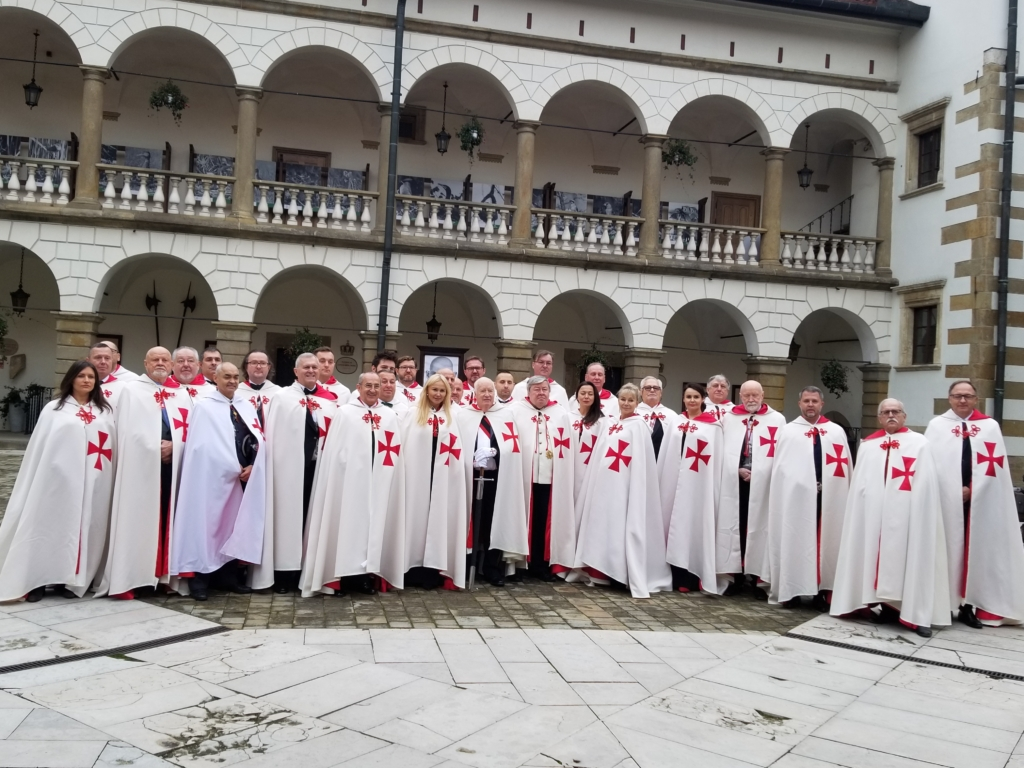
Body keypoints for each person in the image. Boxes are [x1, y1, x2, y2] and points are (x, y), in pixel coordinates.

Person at [831, 399, 949, 637]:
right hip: (873, 517)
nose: (891, 415)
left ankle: (913, 613)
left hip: (908, 517)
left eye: (896, 411)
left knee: (909, 559)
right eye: (885, 412)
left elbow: (925, 486)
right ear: (879, 418)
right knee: (873, 557)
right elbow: (860, 487)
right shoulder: (868, 446)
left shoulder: (919, 444)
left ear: (904, 416)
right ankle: (884, 606)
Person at [0, 361, 114, 602]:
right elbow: (42, 448)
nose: (86, 380)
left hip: (94, 481)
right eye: (81, 376)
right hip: (56, 481)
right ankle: (37, 581)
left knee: (84, 528)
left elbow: (108, 447)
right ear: (71, 379)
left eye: (91, 377)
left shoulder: (104, 411)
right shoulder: (54, 409)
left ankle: (69, 580)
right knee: (48, 526)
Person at [97, 347, 195, 599]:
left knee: (170, 519)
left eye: (165, 359)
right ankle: (134, 578)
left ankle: (166, 576)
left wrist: (176, 445)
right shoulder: (131, 390)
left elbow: (191, 432)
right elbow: (127, 432)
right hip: (139, 470)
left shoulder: (181, 394)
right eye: (155, 359)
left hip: (174, 466)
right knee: (138, 520)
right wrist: (153, 449)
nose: (160, 363)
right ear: (145, 362)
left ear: (171, 364)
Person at [925, 380, 1024, 627]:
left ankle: (970, 606)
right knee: (946, 550)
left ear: (976, 399)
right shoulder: (937, 427)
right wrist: (952, 490)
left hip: (981, 504)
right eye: (958, 396)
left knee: (978, 553)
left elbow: (996, 470)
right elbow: (929, 467)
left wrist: (973, 490)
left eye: (967, 396)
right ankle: (944, 604)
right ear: (949, 398)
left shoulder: (989, 427)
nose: (962, 401)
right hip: (946, 502)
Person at [301, 372, 406, 596]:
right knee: (345, 526)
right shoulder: (345, 414)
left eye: (376, 386)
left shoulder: (389, 416)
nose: (372, 390)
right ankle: (340, 578)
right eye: (368, 385)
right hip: (348, 484)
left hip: (378, 483)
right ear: (358, 387)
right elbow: (335, 453)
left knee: (372, 529)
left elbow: (394, 453)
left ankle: (364, 577)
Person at [172, 362, 265, 601]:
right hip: (210, 480)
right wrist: (230, 466)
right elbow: (201, 447)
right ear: (216, 377)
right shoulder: (204, 407)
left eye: (235, 377)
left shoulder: (245, 406)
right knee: (207, 526)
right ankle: (200, 581)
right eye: (227, 376)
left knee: (233, 526)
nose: (232, 381)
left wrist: (253, 463)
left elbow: (257, 438)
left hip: (242, 478)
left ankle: (229, 578)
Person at [572, 384, 672, 598]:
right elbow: (600, 454)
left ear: (637, 403)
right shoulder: (609, 422)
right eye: (623, 399)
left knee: (620, 527)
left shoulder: (640, 427)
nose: (626, 403)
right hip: (602, 486)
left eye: (631, 400)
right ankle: (598, 570)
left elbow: (641, 465)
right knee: (601, 525)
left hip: (625, 488)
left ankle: (619, 573)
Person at [251, 353, 338, 593]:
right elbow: (274, 435)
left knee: (314, 519)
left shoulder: (330, 400)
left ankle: (310, 571)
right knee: (287, 520)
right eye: (306, 367)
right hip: (287, 472)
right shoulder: (282, 398)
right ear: (296, 371)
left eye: (314, 367)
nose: (311, 370)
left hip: (318, 470)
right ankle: (285, 575)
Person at [768, 386, 851, 609]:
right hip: (795, 499)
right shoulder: (788, 431)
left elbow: (843, 466)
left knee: (827, 542)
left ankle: (822, 593)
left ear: (822, 404)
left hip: (829, 498)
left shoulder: (835, 431)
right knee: (795, 540)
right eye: (806, 401)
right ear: (800, 404)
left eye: (814, 401)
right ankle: (792, 590)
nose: (810, 405)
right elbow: (782, 469)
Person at [457, 378, 529, 587]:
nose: (487, 395)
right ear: (475, 394)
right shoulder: (463, 416)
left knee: (494, 521)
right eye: (483, 391)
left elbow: (512, 447)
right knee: (469, 520)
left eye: (490, 391)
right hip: (469, 479)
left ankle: (491, 567)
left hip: (499, 479)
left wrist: (497, 454)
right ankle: (466, 564)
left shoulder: (505, 415)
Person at [719, 381, 786, 598]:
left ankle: (759, 578)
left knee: (760, 528)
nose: (750, 399)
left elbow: (781, 454)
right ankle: (734, 576)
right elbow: (723, 451)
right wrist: (736, 469)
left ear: (763, 395)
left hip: (765, 485)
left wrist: (760, 470)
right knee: (734, 527)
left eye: (755, 395)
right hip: (735, 482)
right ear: (740, 396)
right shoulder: (729, 418)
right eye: (746, 395)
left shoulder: (777, 419)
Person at [401, 374, 466, 589]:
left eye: (442, 391)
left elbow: (458, 451)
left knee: (438, 520)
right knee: (415, 519)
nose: (438, 394)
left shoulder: (453, 417)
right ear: (427, 390)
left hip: (443, 477)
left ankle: (433, 570)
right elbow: (406, 446)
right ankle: (411, 568)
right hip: (417, 477)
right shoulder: (412, 414)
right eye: (434, 389)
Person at [657, 383, 721, 594]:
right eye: (688, 397)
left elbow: (715, 461)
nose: (692, 400)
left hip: (697, 485)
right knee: (669, 524)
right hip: (672, 482)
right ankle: (669, 574)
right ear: (683, 399)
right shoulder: (676, 422)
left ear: (703, 399)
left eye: (696, 397)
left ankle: (690, 576)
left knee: (691, 527)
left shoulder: (713, 426)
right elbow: (666, 452)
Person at [513, 376, 575, 580]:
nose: (541, 393)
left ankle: (541, 564)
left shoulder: (561, 414)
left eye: (545, 389)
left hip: (551, 477)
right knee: (524, 520)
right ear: (528, 392)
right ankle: (520, 564)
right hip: (524, 477)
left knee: (544, 521)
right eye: (537, 389)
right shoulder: (516, 411)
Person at [569, 381, 606, 502]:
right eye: (583, 393)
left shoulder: (602, 421)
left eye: (590, 394)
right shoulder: (567, 417)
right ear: (577, 396)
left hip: (590, 467)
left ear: (595, 397)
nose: (586, 396)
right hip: (570, 466)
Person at [636, 376, 676, 459]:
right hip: (638, 458)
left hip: (661, 460)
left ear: (661, 392)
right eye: (647, 388)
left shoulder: (672, 416)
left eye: (656, 388)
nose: (652, 390)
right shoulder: (633, 413)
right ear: (641, 392)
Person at [238, 350, 280, 428]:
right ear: (246, 366)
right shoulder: (236, 392)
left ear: (269, 367)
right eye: (254, 363)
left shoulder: (279, 393)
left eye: (263, 363)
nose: (258, 367)